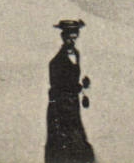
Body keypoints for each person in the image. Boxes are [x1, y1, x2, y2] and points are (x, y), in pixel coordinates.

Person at [45, 19, 95, 163]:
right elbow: (57, 87)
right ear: (63, 37)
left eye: (74, 37)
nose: (72, 41)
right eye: (69, 37)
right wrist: (77, 88)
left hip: (73, 104)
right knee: (65, 140)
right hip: (61, 106)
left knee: (76, 137)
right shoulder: (56, 62)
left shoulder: (76, 54)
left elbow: (72, 79)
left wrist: (83, 85)